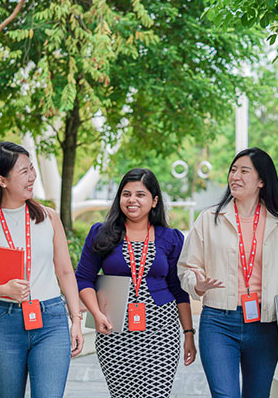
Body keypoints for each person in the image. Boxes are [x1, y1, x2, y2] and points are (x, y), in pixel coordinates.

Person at [178, 147, 278, 398]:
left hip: (265, 325)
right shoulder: (210, 219)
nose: (235, 176)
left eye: (244, 171)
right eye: (233, 170)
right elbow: (186, 268)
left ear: (262, 181)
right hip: (218, 322)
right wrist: (198, 284)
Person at [0, 141, 83, 398]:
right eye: (24, 172)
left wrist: (76, 320)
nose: (32, 177)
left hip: (50, 319)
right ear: (2, 180)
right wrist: (2, 289)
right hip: (4, 323)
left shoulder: (48, 217)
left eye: (32, 169)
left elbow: (65, 272)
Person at [75, 168, 196, 398]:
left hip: (160, 332)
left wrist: (188, 332)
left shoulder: (170, 238)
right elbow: (83, 278)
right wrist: (96, 314)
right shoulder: (101, 233)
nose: (132, 200)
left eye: (140, 194)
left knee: (155, 394)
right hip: (115, 331)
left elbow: (179, 290)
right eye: (126, 193)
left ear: (154, 201)